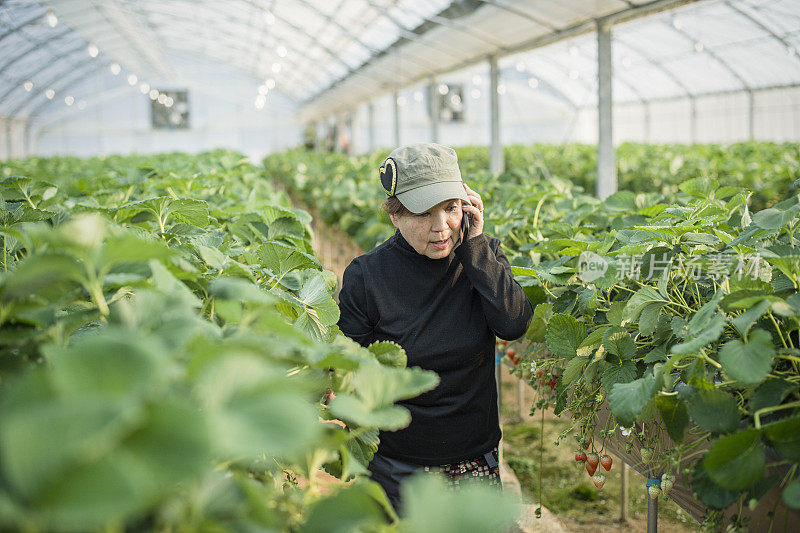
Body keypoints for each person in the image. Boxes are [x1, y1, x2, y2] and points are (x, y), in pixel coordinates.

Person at [337, 142, 533, 514]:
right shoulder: (368, 277)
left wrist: (474, 246)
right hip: (398, 464)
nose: (441, 227)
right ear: (395, 216)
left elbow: (513, 323)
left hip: (474, 457)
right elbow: (349, 366)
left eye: (450, 208)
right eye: (423, 213)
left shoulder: (482, 257)